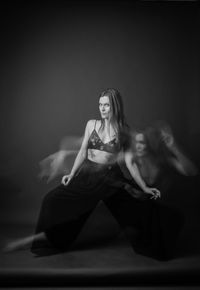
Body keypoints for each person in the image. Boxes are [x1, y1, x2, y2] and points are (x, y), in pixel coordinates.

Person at [3, 88, 159, 254]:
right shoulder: (92, 124)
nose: (102, 108)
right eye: (100, 105)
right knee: (51, 200)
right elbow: (83, 151)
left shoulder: (123, 131)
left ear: (115, 106)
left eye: (106, 105)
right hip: (88, 175)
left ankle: (153, 241)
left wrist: (144, 187)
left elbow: (130, 163)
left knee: (137, 209)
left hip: (110, 179)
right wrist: (72, 173)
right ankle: (43, 242)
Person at [121, 122, 198, 260]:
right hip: (141, 210)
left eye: (143, 143)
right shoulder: (131, 157)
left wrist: (173, 147)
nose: (139, 146)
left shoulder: (162, 159)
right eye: (137, 142)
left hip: (162, 208)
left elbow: (191, 171)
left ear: (150, 144)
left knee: (171, 220)